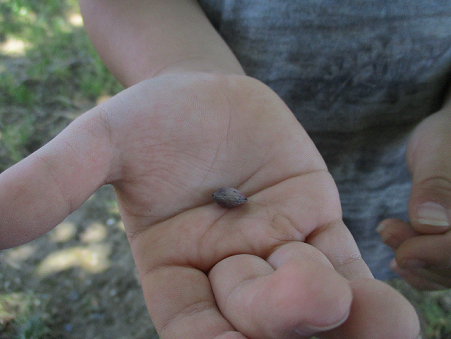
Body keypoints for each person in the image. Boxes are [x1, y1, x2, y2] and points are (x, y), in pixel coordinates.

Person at [5, 0, 451, 337]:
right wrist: (189, 71)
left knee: (352, 282)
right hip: (230, 156)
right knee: (298, 295)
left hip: (387, 187)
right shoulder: (218, 191)